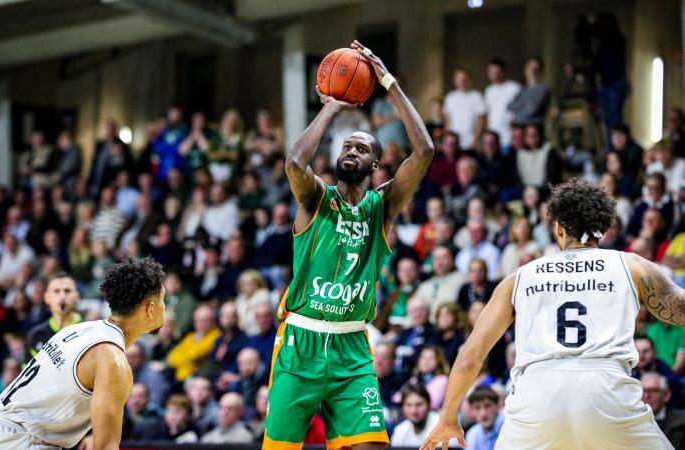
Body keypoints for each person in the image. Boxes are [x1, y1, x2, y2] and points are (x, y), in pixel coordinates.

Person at [421, 179, 679, 450]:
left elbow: (470, 358)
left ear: (557, 227)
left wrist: (448, 418)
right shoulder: (630, 265)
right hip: (606, 391)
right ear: (602, 228)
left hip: (537, 394)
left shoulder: (520, 276)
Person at [264, 40, 434, 450]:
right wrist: (332, 107)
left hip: (353, 348)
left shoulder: (383, 206)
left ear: (375, 165)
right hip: (300, 344)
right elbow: (293, 163)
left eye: (362, 148)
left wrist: (387, 81)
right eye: (347, 146)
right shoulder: (315, 198)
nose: (352, 151)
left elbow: (424, 150)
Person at [0, 257, 166, 450]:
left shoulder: (78, 330)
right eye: (163, 300)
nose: (165, 307)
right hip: (22, 442)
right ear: (150, 308)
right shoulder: (113, 362)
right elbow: (105, 447)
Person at [25, 272, 82, 360]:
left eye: (67, 291)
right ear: (47, 297)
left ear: (77, 297)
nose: (62, 296)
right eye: (56, 291)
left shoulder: (92, 331)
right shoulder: (35, 336)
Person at [443, 69, 487, 150]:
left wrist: (475, 140)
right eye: (459, 79)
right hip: (453, 143)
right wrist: (446, 140)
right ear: (455, 80)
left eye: (464, 79)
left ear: (469, 79)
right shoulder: (450, 97)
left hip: (471, 142)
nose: (462, 81)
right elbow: (447, 121)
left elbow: (481, 121)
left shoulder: (477, 96)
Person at [641, 372, 685, 448]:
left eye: (653, 391)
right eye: (643, 391)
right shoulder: (630, 419)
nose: (646, 396)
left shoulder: (680, 423)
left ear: (666, 396)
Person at [484, 59, 521, 148]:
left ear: (504, 71)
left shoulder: (515, 88)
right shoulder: (489, 90)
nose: (495, 75)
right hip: (493, 138)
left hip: (509, 137)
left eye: (497, 72)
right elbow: (488, 114)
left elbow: (520, 112)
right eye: (492, 72)